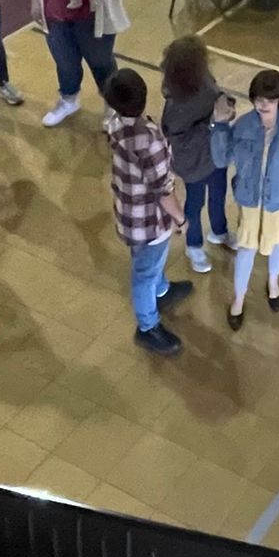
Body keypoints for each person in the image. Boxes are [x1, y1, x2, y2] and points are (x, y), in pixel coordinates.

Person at [211, 70, 279, 332]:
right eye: (259, 99)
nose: (263, 105)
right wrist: (219, 126)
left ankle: (273, 280)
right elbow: (221, 159)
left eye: (270, 100)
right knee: (246, 249)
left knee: (278, 242)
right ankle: (239, 298)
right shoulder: (243, 126)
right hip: (250, 201)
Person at [103, 68, 192, 356]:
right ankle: (147, 327)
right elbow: (163, 190)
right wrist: (181, 219)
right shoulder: (149, 139)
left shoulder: (113, 123)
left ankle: (161, 290)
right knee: (144, 271)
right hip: (150, 222)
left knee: (147, 261)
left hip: (128, 213)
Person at [159, 37, 229, 274]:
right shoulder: (177, 105)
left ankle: (219, 231)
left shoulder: (203, 79)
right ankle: (193, 245)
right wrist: (213, 123)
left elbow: (215, 94)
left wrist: (224, 103)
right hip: (193, 163)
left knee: (218, 194)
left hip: (215, 153)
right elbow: (178, 138)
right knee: (195, 203)